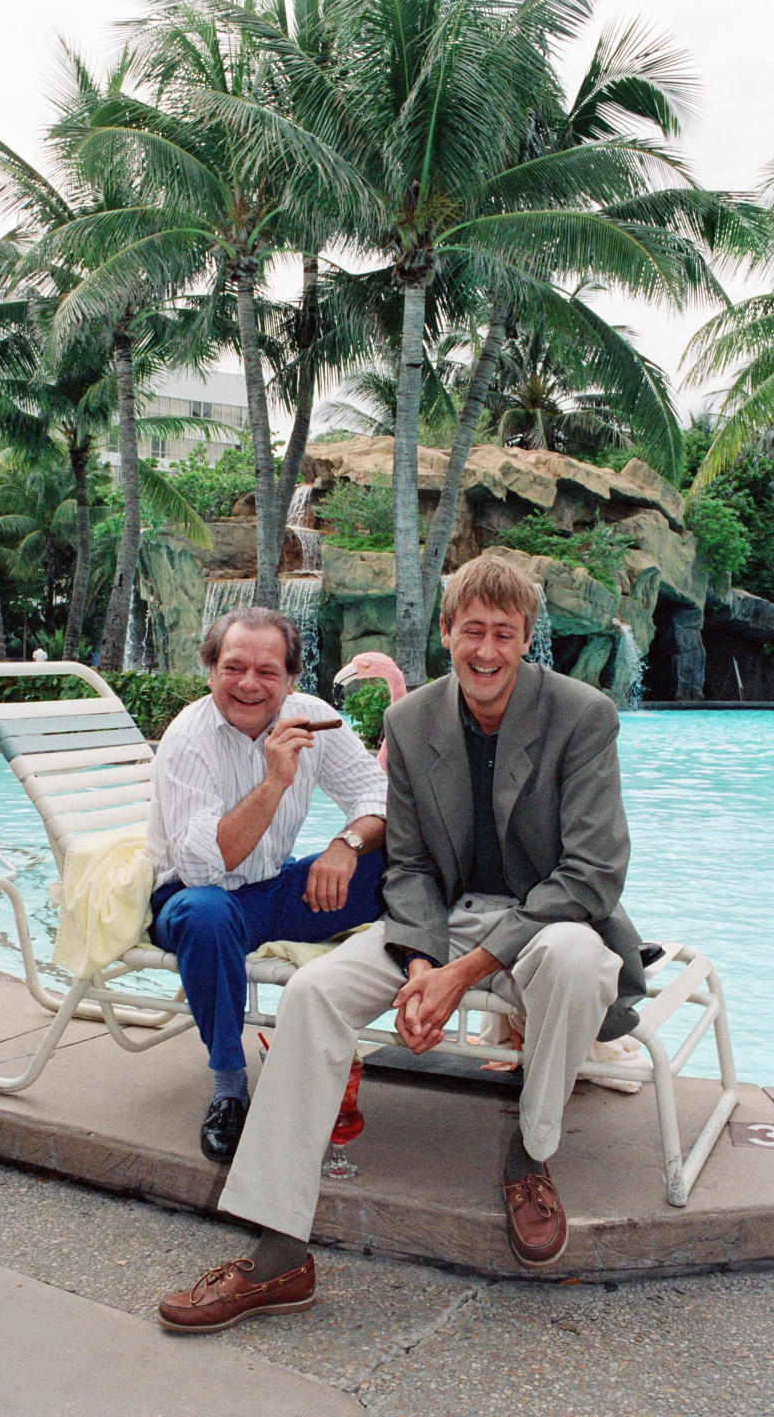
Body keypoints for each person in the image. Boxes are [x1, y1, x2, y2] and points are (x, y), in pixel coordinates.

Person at [158, 556, 646, 1331]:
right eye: (471, 631)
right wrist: (422, 963)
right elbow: (412, 864)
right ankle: (280, 1250)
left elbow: (592, 875)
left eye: (504, 634)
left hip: (552, 917)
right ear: (446, 633)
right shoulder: (412, 721)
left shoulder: (582, 716)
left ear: (526, 640)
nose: (486, 650)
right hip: (437, 918)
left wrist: (462, 974)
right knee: (316, 994)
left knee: (581, 964)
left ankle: (531, 1152)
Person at [147, 606, 387, 1164]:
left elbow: (378, 797)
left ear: (291, 680)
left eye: (267, 672)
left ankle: (473, 954)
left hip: (274, 892)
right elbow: (205, 867)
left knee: (402, 855)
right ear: (210, 672)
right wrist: (276, 778)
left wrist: (343, 846)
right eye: (234, 668)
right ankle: (230, 1086)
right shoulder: (188, 739)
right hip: (195, 900)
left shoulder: (312, 717)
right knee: (206, 915)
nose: (249, 684)